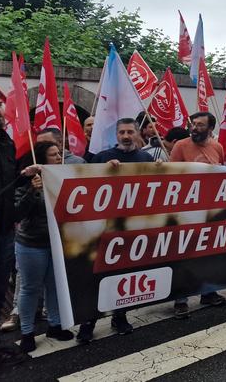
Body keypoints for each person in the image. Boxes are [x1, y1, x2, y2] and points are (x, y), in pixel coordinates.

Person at [78, 118, 155, 343]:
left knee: (124, 275)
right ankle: (88, 322)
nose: (126, 136)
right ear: (116, 135)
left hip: (132, 228)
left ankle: (120, 316)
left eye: (130, 131)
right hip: (103, 229)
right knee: (96, 275)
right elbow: (85, 185)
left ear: (137, 133)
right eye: (122, 132)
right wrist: (103, 171)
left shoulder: (146, 158)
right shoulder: (101, 158)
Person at [0, 91, 40, 365]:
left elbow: (7, 187)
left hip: (5, 232)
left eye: (0, 104)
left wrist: (24, 178)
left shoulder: (5, 142)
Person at [14, 142, 75, 352]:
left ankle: (55, 325)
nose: (59, 157)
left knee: (54, 285)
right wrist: (33, 190)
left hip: (56, 244)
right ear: (41, 159)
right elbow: (18, 213)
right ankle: (27, 332)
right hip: (32, 244)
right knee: (31, 288)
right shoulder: (27, 180)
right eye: (53, 155)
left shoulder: (63, 178)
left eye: (59, 154)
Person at [169, 112, 226, 317]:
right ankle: (180, 299)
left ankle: (208, 293)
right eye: (193, 124)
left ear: (210, 129)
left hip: (210, 209)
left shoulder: (217, 147)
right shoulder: (180, 146)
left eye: (200, 125)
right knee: (185, 255)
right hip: (186, 211)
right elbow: (171, 177)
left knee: (208, 254)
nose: (194, 128)